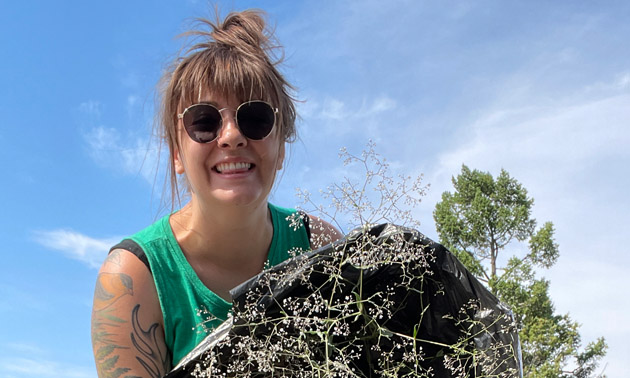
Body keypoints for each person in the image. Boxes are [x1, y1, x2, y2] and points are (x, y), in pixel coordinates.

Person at [90, 9, 342, 377]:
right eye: (204, 122)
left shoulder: (318, 244)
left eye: (255, 118)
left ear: (282, 147)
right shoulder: (133, 279)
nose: (231, 136)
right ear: (177, 153)